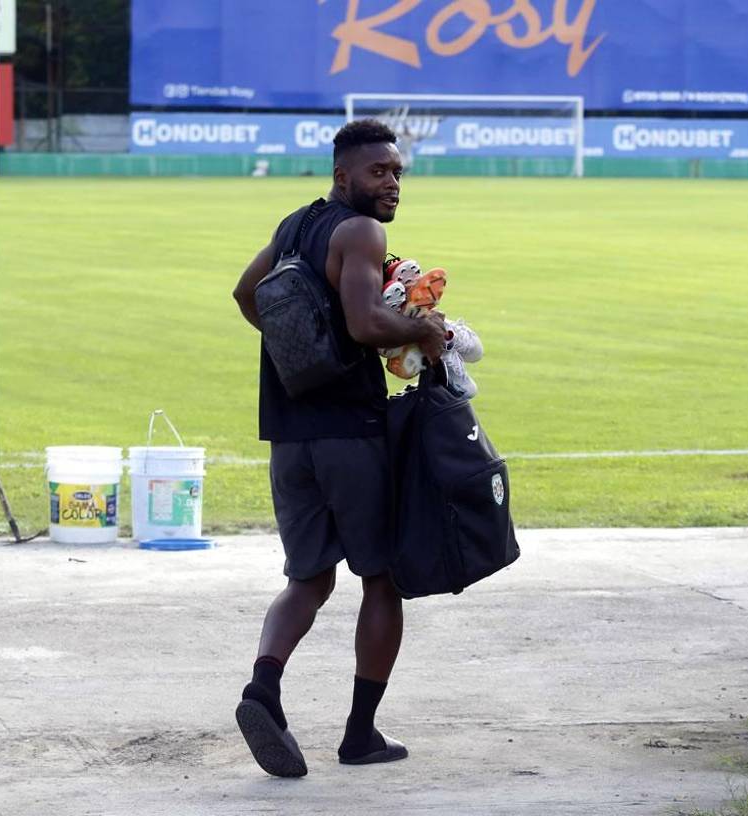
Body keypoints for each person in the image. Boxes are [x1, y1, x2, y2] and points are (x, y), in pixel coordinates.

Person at [231, 119, 446, 778]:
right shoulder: (360, 232)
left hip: (290, 434)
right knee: (380, 579)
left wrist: (300, 347)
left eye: (398, 173)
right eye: (379, 172)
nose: (391, 184)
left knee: (308, 578)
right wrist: (425, 331)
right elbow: (365, 323)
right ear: (343, 174)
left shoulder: (295, 225)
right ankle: (360, 734)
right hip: (350, 432)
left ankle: (261, 691)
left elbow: (246, 295)